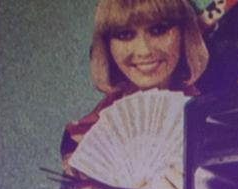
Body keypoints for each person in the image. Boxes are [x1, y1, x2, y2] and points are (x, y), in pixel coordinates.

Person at [63, 0, 209, 157]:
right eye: (125, 34)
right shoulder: (82, 137)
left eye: (158, 30)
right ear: (107, 45)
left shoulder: (215, 121)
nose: (144, 50)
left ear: (184, 33)